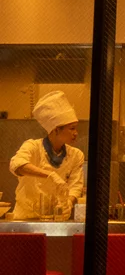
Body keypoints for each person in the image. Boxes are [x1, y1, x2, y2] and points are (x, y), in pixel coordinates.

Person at [9, 91, 84, 220]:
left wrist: (69, 203)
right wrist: (50, 175)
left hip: (56, 218)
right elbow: (17, 165)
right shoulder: (33, 147)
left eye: (76, 128)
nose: (76, 133)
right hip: (25, 219)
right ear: (56, 130)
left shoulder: (76, 155)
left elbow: (75, 185)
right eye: (71, 128)